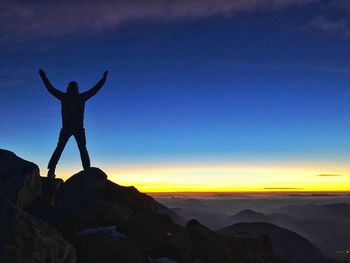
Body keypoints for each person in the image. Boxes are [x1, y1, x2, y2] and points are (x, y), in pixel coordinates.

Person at [39, 69, 108, 178]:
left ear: (68, 88)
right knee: (81, 149)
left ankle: (51, 170)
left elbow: (50, 89)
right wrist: (103, 80)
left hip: (67, 128)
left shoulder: (64, 96)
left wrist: (44, 77)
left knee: (61, 148)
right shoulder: (80, 97)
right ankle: (87, 170)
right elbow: (95, 90)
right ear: (76, 88)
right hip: (77, 129)